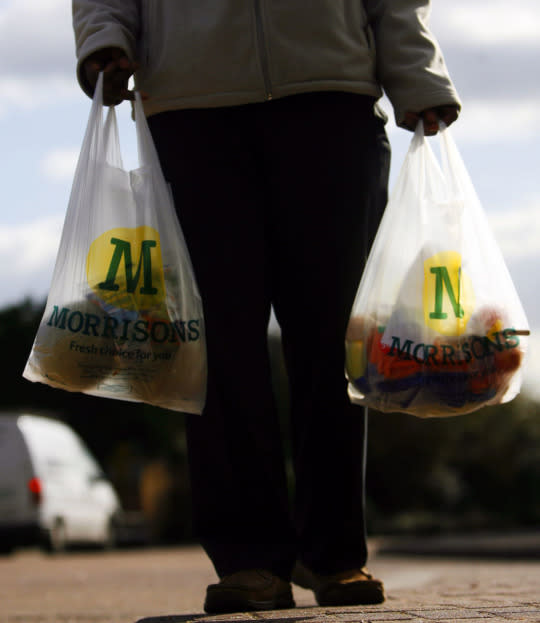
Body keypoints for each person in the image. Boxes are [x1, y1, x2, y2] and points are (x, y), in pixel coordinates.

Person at [72, 1, 460, 615]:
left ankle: (333, 554)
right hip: (191, 111)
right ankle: (249, 558)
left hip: (332, 99)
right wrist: (103, 36)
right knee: (214, 347)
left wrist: (418, 75)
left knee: (335, 341)